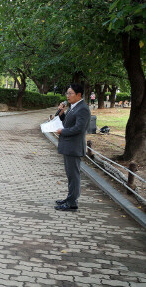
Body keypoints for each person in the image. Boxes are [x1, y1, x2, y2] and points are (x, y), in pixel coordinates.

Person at [55, 83, 91, 211]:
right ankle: (70, 198)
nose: (67, 96)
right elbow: (67, 123)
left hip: (74, 147)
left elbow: (79, 129)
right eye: (67, 93)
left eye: (70, 93)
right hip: (68, 146)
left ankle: (72, 203)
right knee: (70, 175)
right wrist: (61, 114)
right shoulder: (72, 107)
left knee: (74, 175)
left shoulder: (83, 108)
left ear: (79, 95)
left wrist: (62, 132)